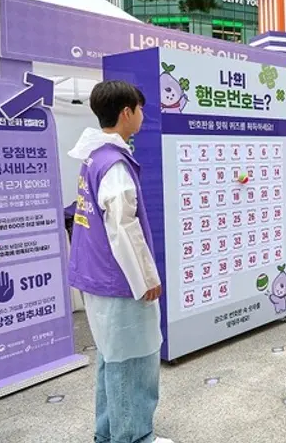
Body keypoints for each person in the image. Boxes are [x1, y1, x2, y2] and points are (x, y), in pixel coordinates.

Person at [68, 81, 173, 443]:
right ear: (126, 112)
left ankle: (108, 433)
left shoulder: (93, 157)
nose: (143, 116)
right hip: (119, 281)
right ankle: (132, 436)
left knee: (111, 359)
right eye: (140, 109)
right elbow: (123, 229)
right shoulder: (114, 165)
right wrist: (145, 278)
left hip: (94, 276)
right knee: (134, 362)